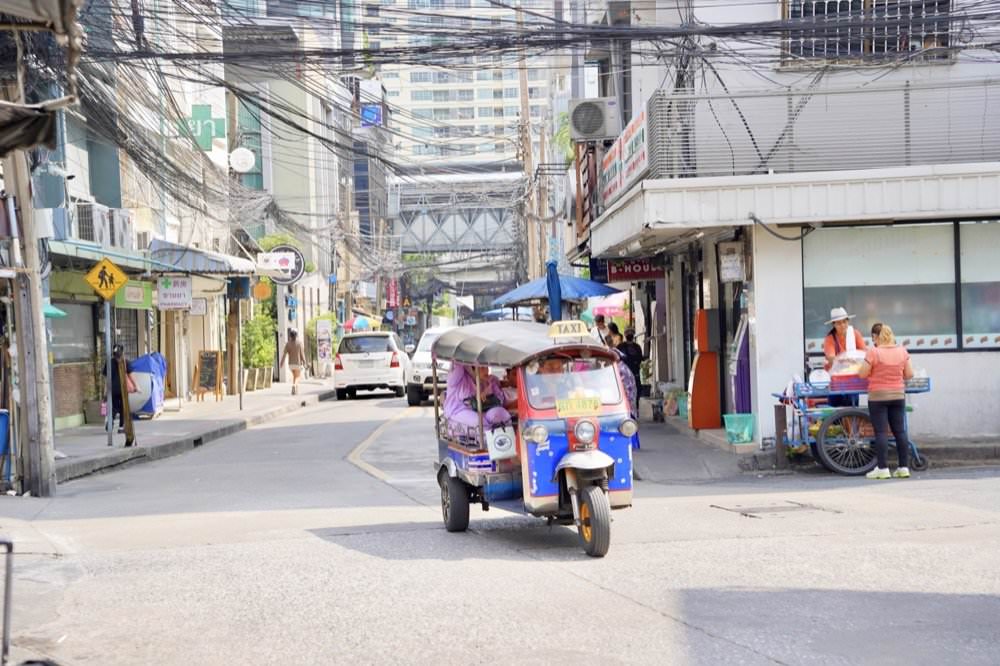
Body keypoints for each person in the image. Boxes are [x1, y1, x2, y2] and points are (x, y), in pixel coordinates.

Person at [859, 323, 915, 479]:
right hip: (898, 395)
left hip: (878, 397)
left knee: (881, 432)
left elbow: (863, 374)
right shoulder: (902, 351)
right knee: (900, 431)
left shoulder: (873, 352)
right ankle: (903, 467)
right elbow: (909, 374)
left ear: (876, 337)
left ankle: (883, 468)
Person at [443, 363, 511, 431]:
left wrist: (488, 395)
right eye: (482, 368)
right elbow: (457, 366)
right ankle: (488, 439)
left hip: (483, 410)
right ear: (472, 369)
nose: (486, 371)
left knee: (501, 414)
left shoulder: (490, 380)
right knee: (480, 423)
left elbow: (500, 399)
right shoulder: (459, 377)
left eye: (486, 368)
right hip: (459, 411)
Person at [823, 307, 867, 407]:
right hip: (835, 381)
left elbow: (864, 353)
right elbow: (831, 358)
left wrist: (844, 360)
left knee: (852, 408)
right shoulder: (829, 339)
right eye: (838, 323)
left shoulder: (855, 334)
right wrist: (849, 360)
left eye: (844, 322)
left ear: (848, 321)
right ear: (833, 324)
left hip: (853, 379)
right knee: (836, 411)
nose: (842, 325)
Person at [102, 344, 130, 433]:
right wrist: (135, 387)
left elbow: (106, 378)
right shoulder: (125, 362)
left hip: (112, 389)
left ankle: (110, 420)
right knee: (123, 408)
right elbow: (130, 375)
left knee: (113, 407)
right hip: (122, 389)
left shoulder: (109, 362)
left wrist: (105, 392)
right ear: (122, 352)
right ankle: (121, 427)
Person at [280, 328, 306, 395]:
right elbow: (302, 354)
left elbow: (284, 354)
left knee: (295, 376)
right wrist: (305, 362)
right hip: (298, 363)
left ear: (290, 335)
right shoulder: (300, 343)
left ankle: (295, 391)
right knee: (298, 376)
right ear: (296, 335)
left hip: (290, 364)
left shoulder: (288, 344)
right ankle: (294, 386)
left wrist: (281, 363)